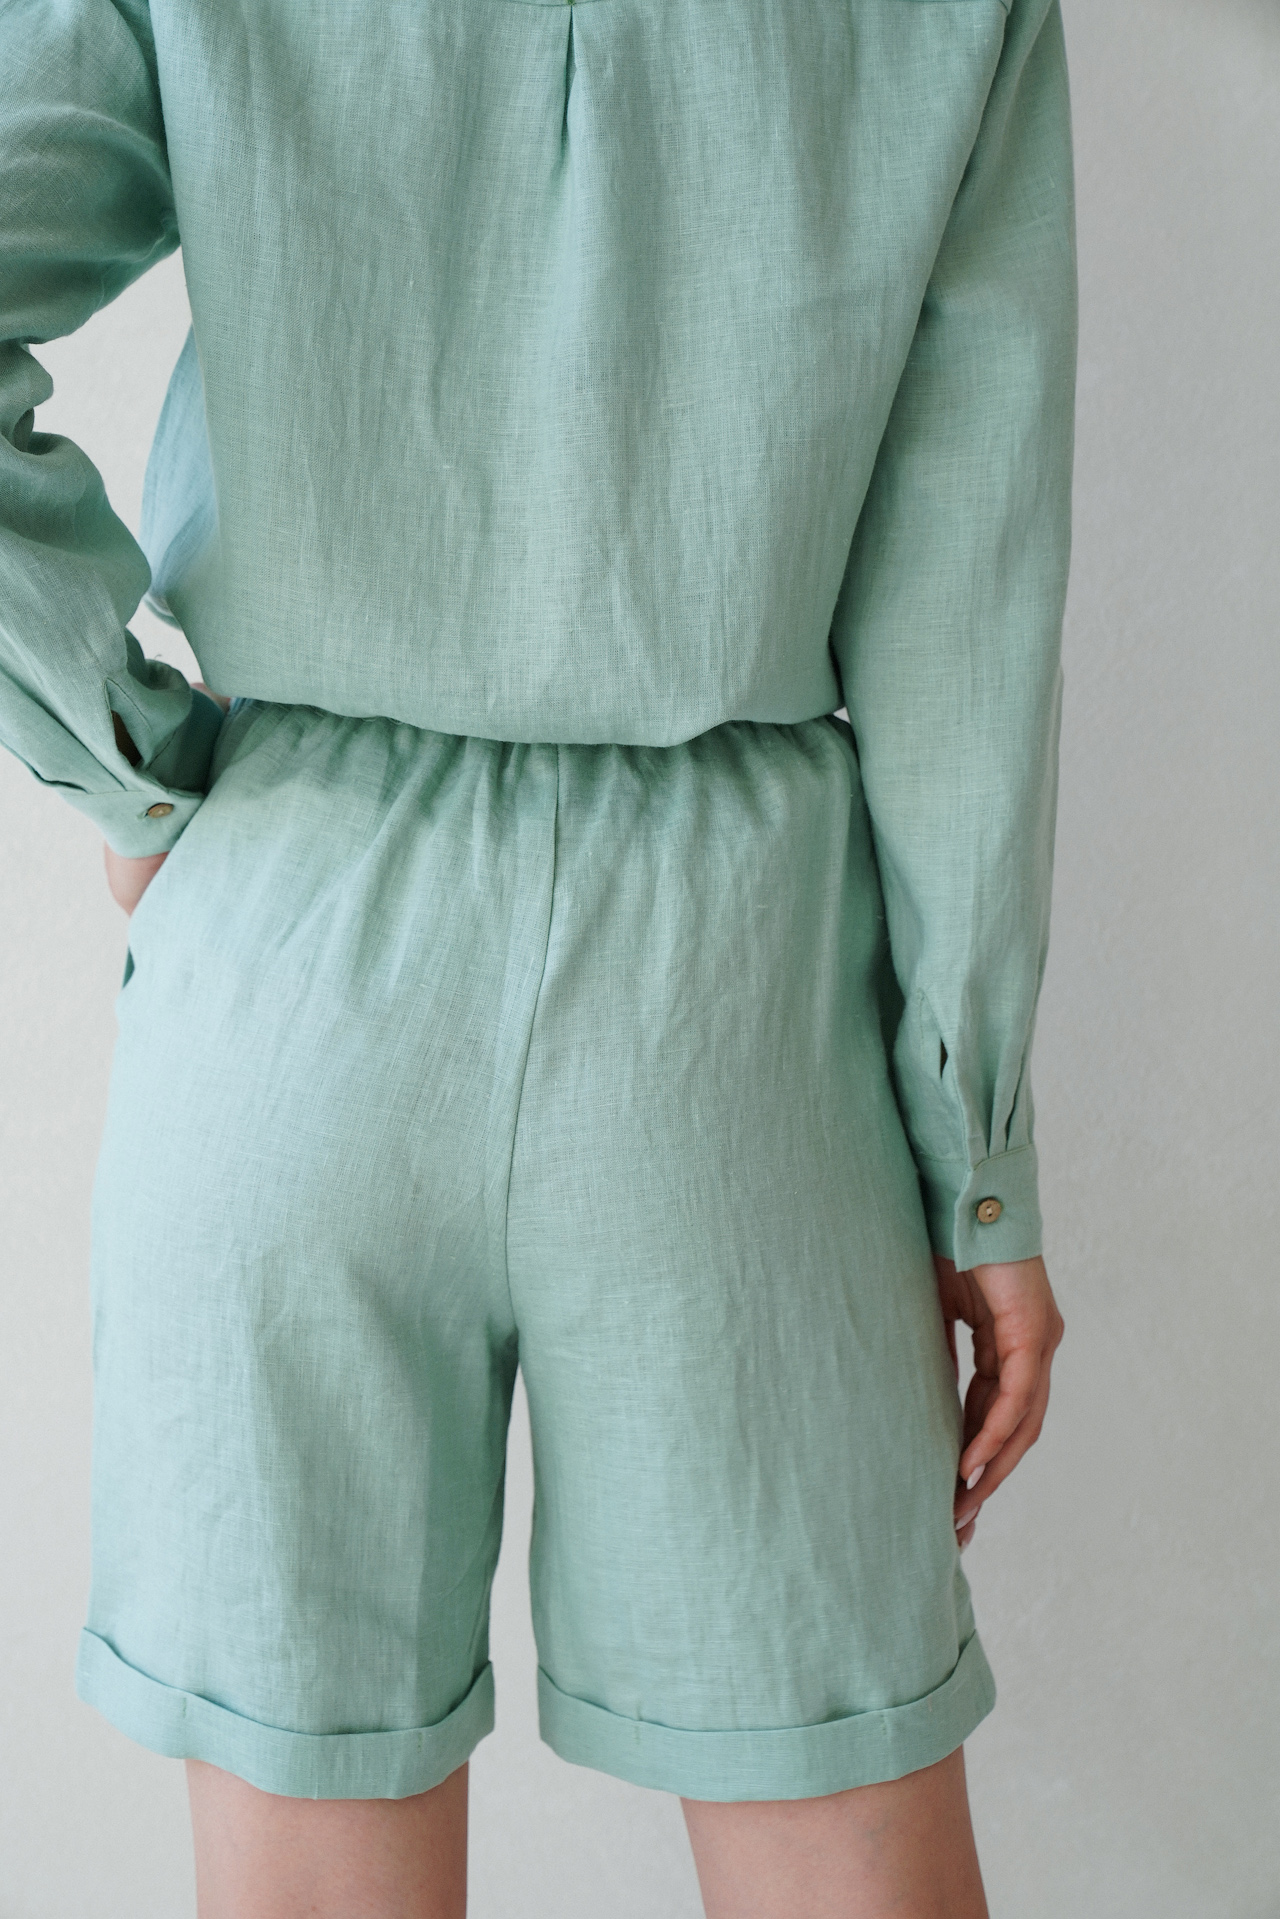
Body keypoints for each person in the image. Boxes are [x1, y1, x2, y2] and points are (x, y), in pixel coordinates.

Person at [0, 0, 1073, 1908]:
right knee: (839, 1844)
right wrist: (972, 1153)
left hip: (289, 968)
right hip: (733, 1014)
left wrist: (135, 770)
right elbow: (962, 591)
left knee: (309, 1857)